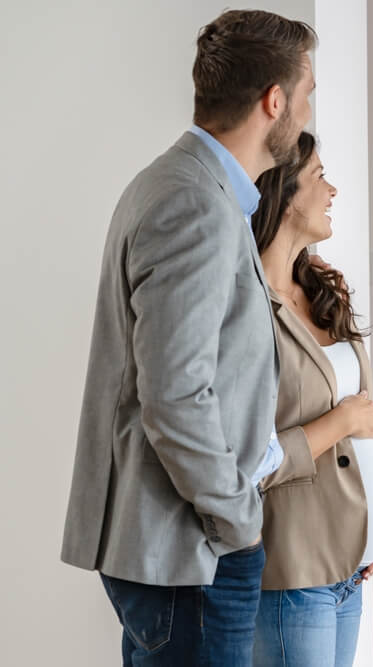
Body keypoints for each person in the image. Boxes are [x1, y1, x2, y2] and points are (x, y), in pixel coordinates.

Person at [60, 10, 316, 665]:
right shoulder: (193, 202)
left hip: (184, 550)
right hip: (191, 554)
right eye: (306, 93)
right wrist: (236, 521)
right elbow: (175, 393)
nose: (307, 113)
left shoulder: (185, 186)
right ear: (274, 100)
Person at [249, 131, 373, 667]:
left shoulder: (320, 287)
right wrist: (340, 422)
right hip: (296, 574)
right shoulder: (247, 308)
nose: (334, 190)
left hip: (352, 570)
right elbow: (246, 463)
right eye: (320, 176)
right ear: (282, 191)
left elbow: (369, 413)